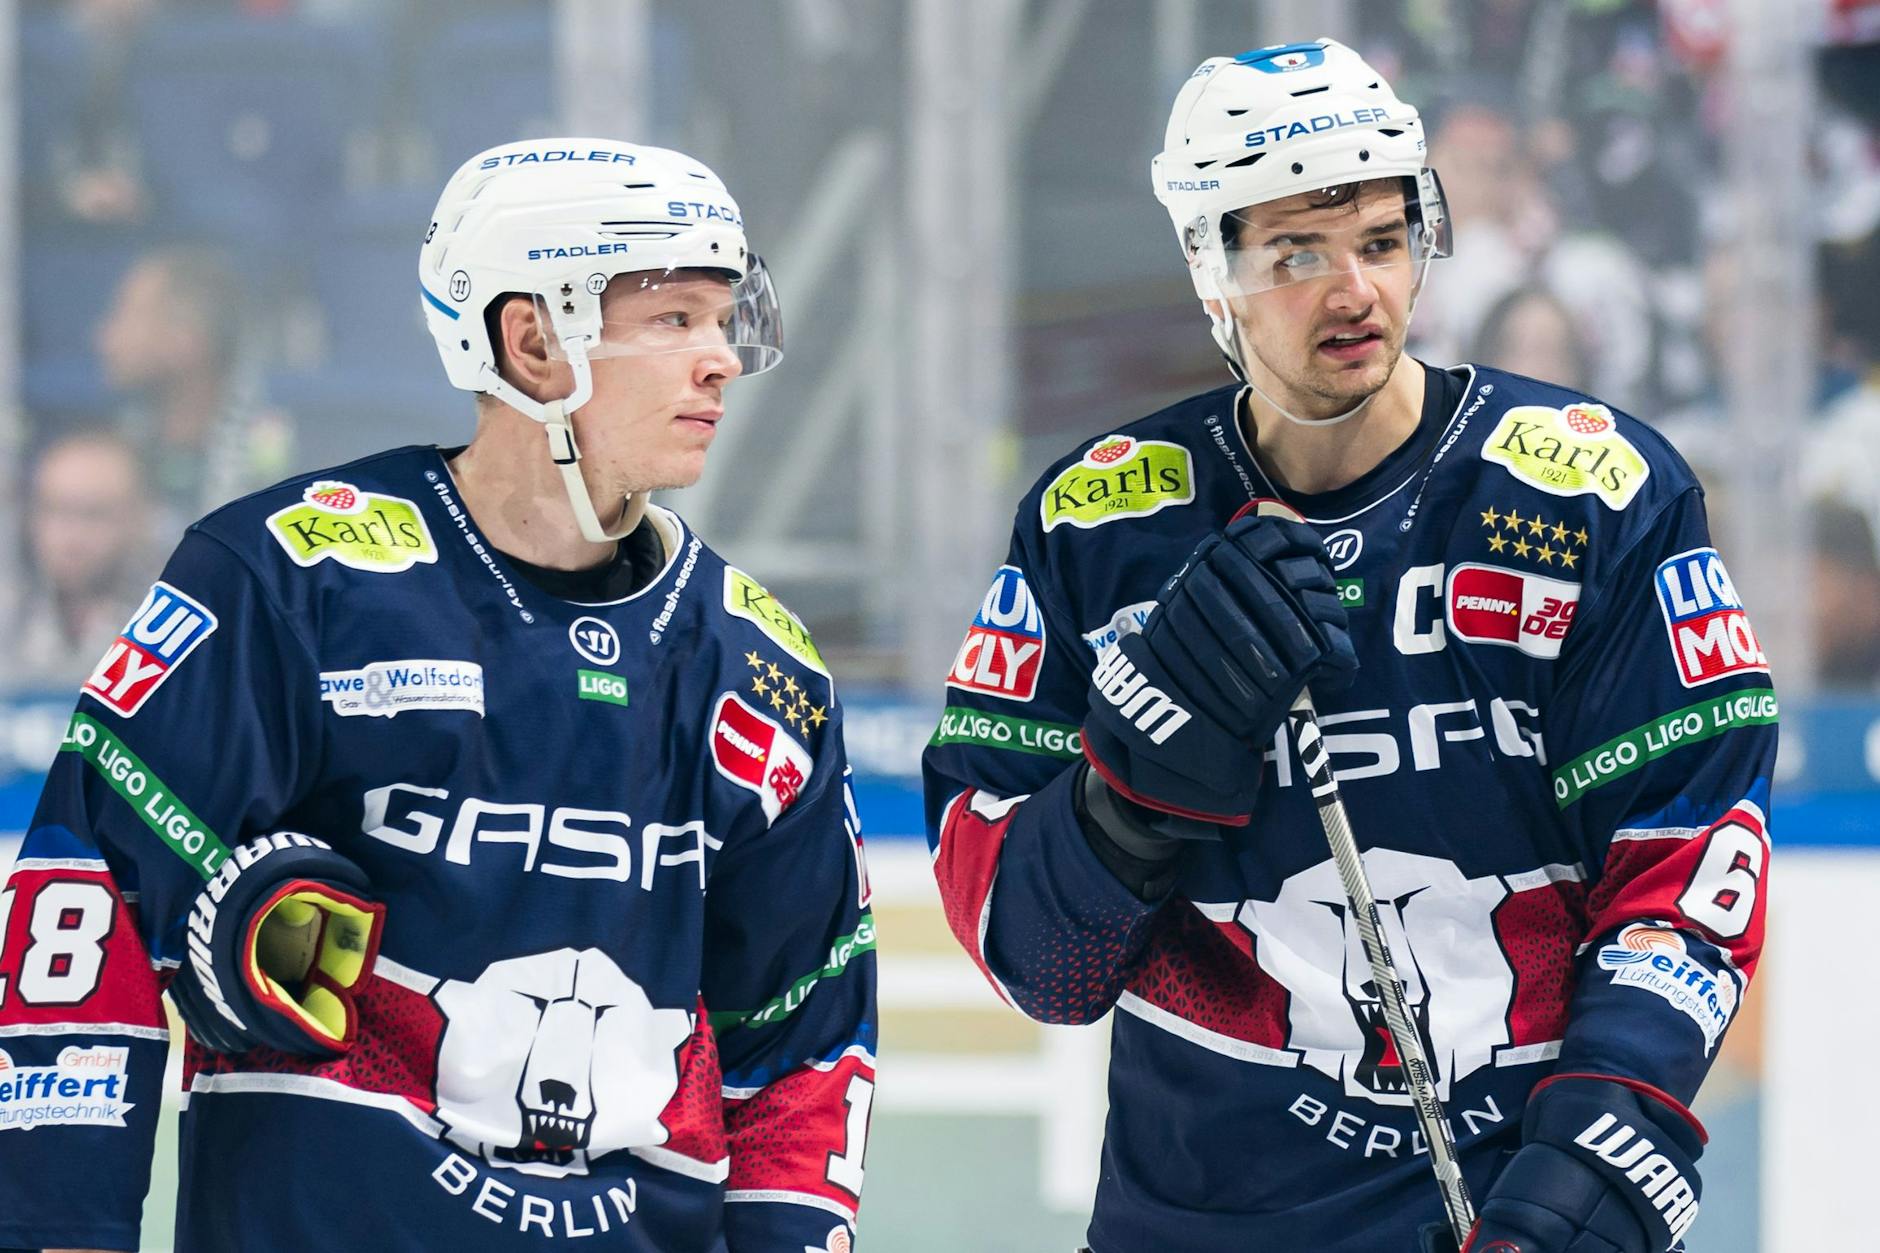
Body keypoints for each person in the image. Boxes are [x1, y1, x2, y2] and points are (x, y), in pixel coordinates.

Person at [924, 40, 1771, 1253]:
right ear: (1205, 267)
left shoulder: (1593, 492)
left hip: (1508, 1185)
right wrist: (1130, 786)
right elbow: (1034, 965)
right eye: (1293, 255)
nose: (1353, 292)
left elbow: (1685, 863)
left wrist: (1596, 1154)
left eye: (1379, 241)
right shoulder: (1097, 524)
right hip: (1195, 1212)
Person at [0, 138, 875, 1253]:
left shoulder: (762, 665)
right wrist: (62, 1225)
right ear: (531, 338)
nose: (720, 360)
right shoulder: (287, 577)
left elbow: (802, 1040)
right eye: (673, 319)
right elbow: (89, 882)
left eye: (722, 317)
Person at [93, 244, 294, 534]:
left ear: (186, 339)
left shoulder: (276, 451)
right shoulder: (120, 440)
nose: (103, 336)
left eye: (125, 313)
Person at [0, 430, 160, 693]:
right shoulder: (9, 611)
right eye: (53, 510)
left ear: (138, 518)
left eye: (93, 514)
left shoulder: (170, 625)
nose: (70, 538)